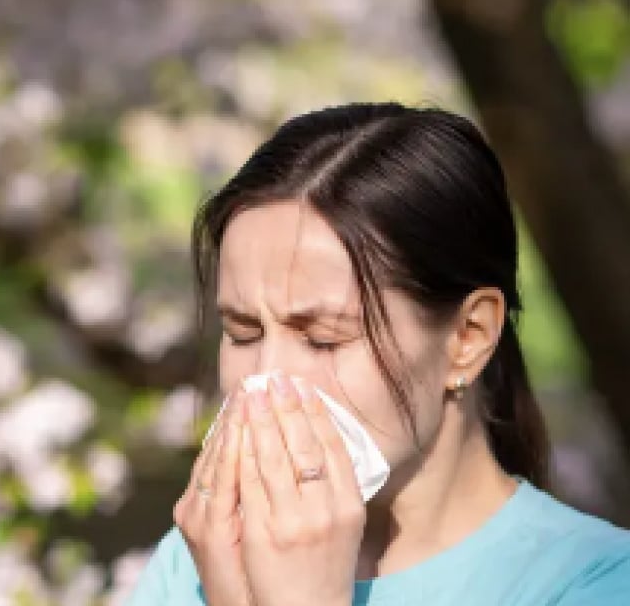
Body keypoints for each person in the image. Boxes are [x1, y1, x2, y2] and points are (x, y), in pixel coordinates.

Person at [125, 103, 630, 605]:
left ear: (468, 337)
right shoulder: (198, 559)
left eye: (324, 338)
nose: (267, 377)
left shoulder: (592, 582)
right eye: (243, 332)